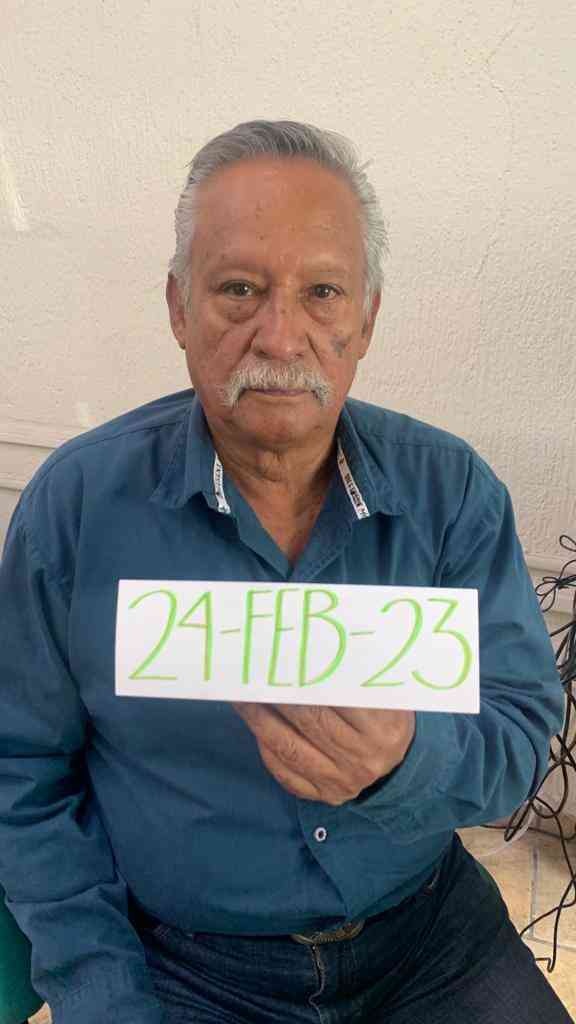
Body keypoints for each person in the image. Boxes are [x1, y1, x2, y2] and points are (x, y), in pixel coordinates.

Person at [0, 120, 570, 1024]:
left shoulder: (452, 493)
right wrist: (101, 988)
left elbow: (520, 729)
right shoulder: (75, 510)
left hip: (428, 938)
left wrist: (406, 764)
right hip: (184, 962)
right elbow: (21, 772)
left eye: (323, 293)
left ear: (366, 320)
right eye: (239, 289)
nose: (281, 336)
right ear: (179, 308)